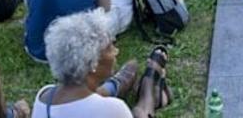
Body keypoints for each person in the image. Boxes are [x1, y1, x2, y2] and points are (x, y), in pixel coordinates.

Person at [32, 8, 171, 117]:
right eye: (110, 48)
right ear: (92, 62)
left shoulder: (44, 96)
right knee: (141, 111)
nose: (116, 51)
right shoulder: (113, 108)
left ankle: (118, 84)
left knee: (95, 92)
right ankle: (148, 93)